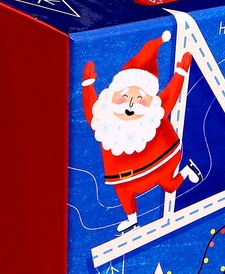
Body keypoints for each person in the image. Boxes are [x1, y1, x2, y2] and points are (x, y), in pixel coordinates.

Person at [82, 30, 201, 232]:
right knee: (123, 190)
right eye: (125, 96)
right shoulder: (105, 116)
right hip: (123, 172)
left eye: (139, 99)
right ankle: (132, 219)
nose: (131, 104)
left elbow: (170, 96)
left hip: (160, 159)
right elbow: (91, 110)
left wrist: (180, 74)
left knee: (170, 186)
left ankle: (188, 170)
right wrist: (88, 85)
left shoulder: (154, 111)